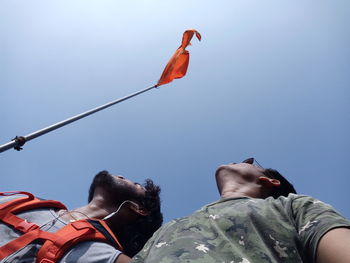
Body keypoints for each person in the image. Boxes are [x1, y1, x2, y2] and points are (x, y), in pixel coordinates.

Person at [131, 158, 350, 263]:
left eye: (251, 162)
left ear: (268, 180)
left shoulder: (292, 206)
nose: (242, 160)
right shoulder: (168, 228)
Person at [0, 170, 163, 263]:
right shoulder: (23, 201)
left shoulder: (99, 253)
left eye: (135, 184)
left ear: (139, 209)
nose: (121, 175)